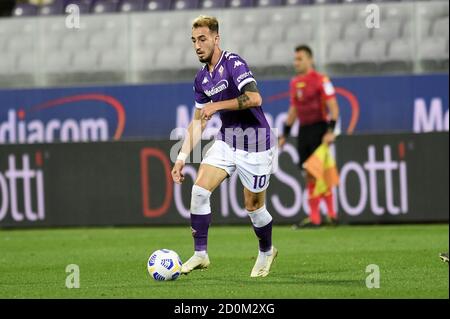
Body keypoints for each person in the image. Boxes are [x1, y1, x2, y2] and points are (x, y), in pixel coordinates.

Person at [171, 16, 278, 277]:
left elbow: (254, 97)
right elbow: (198, 122)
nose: (197, 45)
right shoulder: (201, 80)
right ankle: (200, 254)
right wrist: (182, 157)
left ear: (216, 39)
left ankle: (266, 250)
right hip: (227, 140)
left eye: (203, 39)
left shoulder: (233, 63)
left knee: (254, 207)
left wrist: (217, 105)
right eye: (194, 40)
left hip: (255, 143)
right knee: (199, 191)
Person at [279, 45, 340, 228]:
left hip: (319, 129)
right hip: (303, 131)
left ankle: (328, 215)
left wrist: (330, 132)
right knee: (309, 174)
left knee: (318, 172)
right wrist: (285, 134)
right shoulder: (294, 83)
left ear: (310, 60)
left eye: (300, 59)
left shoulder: (322, 80)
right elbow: (294, 110)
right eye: (295, 59)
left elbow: (334, 107)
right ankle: (319, 217)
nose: (296, 62)